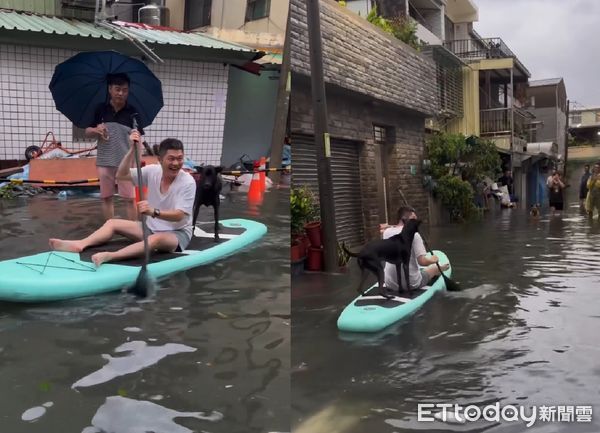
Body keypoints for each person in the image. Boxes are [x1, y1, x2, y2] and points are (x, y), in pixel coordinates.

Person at [49, 132, 196, 267]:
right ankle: (80, 244)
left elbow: (180, 215)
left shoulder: (188, 182)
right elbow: (121, 175)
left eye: (180, 158)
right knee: (112, 223)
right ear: (160, 159)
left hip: (177, 234)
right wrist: (132, 150)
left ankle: (111, 256)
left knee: (154, 240)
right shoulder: (153, 171)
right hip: (150, 228)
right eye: (171, 159)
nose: (176, 163)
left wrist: (153, 212)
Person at [86, 73, 143, 221]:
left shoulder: (133, 112)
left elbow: (139, 139)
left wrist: (137, 160)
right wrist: (95, 130)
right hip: (105, 160)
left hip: (125, 163)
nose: (121, 93)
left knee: (130, 198)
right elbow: (87, 131)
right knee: (106, 197)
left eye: (125, 90)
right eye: (117, 89)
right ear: (110, 89)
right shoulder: (100, 109)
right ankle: (108, 228)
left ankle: (133, 228)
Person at [381, 206, 449, 292]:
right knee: (434, 268)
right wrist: (433, 259)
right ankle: (443, 268)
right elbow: (422, 262)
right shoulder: (415, 235)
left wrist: (389, 226)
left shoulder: (387, 232)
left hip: (389, 284)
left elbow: (398, 228)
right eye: (413, 219)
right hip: (411, 284)